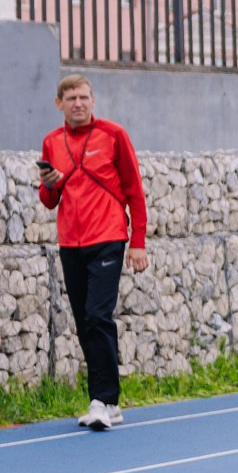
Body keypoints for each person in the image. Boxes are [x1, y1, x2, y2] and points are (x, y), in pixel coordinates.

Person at [37, 74, 149, 432]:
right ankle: (108, 401)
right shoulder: (52, 142)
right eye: (70, 98)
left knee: (98, 315)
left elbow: (134, 190)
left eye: (84, 97)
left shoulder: (114, 135)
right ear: (59, 104)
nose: (78, 104)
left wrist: (139, 242)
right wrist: (49, 185)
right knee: (86, 321)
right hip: (71, 242)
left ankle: (102, 400)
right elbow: (49, 200)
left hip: (108, 237)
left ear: (93, 100)